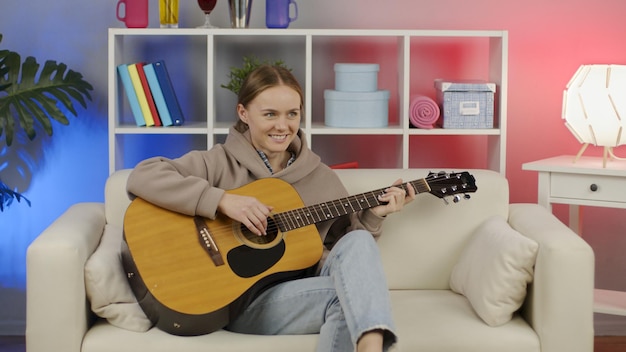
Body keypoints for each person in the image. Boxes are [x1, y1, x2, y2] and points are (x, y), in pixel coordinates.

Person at [126, 65, 416, 352]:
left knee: (356, 263)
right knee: (353, 298)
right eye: (270, 114)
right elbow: (144, 175)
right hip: (238, 302)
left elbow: (346, 259)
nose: (283, 126)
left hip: (295, 293)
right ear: (243, 113)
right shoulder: (218, 162)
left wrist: (372, 217)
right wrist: (221, 200)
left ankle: (371, 344)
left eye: (292, 113)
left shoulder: (321, 177)